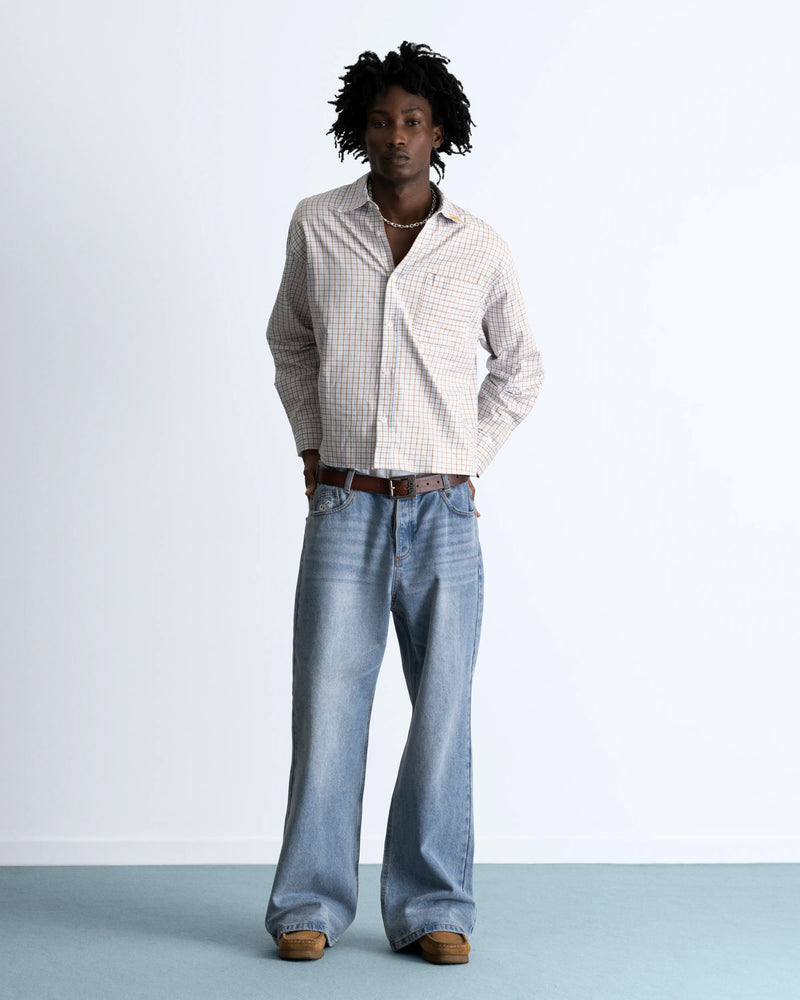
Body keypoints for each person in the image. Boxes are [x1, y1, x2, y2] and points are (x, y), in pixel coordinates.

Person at [264, 41, 543, 965]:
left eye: (413, 121)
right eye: (382, 120)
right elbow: (290, 341)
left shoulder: (478, 245)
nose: (396, 136)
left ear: (439, 132)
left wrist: (469, 457)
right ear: (362, 129)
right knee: (327, 709)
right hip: (344, 506)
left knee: (443, 714)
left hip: (443, 517)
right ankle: (308, 904)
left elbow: (521, 367)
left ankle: (434, 908)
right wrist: (312, 445)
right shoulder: (317, 225)